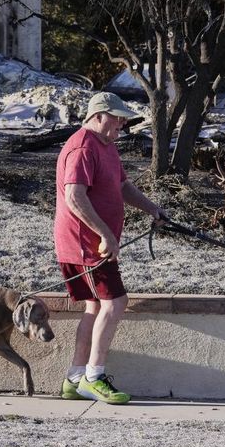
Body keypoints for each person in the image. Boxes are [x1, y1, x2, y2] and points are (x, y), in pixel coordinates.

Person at [54, 91, 165, 404]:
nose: (122, 123)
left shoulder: (106, 146)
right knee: (116, 303)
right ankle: (94, 377)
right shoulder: (81, 147)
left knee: (95, 306)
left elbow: (121, 186)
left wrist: (153, 209)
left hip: (95, 244)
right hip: (85, 244)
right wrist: (105, 234)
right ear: (98, 115)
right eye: (117, 117)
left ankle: (75, 380)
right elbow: (74, 196)